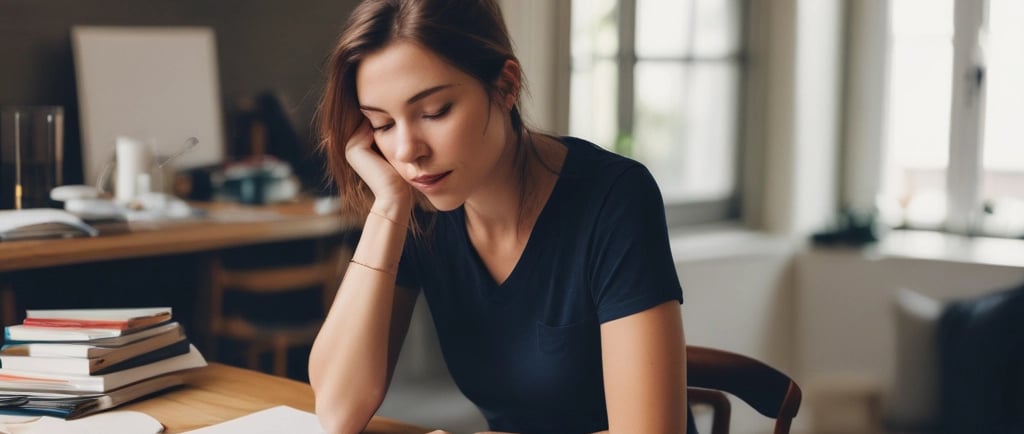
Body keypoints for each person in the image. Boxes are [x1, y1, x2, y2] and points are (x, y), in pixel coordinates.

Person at [309, 1, 694, 433]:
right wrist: (389, 205)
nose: (406, 151)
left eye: (434, 112)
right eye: (381, 124)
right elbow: (338, 413)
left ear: (506, 86)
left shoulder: (615, 197)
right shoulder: (424, 210)